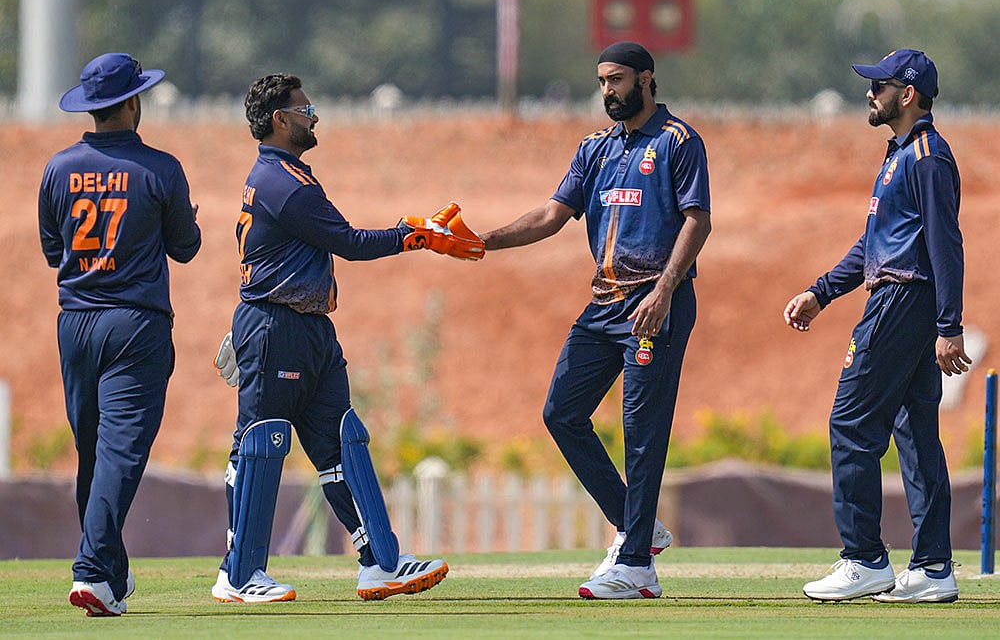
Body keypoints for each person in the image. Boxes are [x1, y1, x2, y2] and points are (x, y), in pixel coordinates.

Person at [211, 73, 478, 603]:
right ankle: (238, 574)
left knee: (342, 442)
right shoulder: (283, 182)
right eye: (305, 109)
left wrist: (411, 229)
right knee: (260, 444)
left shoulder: (287, 175)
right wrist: (414, 234)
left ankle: (380, 563)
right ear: (280, 120)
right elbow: (350, 243)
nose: (314, 117)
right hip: (276, 326)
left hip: (308, 328)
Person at [480, 42, 712, 599]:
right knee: (561, 412)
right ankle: (640, 528)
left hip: (656, 302)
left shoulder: (678, 140)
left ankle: (635, 566)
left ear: (646, 80)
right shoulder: (595, 148)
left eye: (617, 80)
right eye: (602, 81)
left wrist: (663, 291)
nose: (608, 90)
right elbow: (550, 215)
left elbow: (697, 221)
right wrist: (484, 241)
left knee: (642, 432)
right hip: (603, 304)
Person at [784, 49, 968, 603]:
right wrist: (821, 292)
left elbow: (945, 242)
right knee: (914, 433)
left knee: (850, 426)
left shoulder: (928, 156)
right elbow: (872, 244)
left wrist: (949, 325)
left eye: (879, 86)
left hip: (903, 300)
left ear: (906, 94)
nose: (870, 93)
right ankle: (933, 568)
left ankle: (863, 559)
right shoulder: (903, 154)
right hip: (903, 298)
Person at [38, 53, 202, 616]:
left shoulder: (58, 168)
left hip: (76, 321)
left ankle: (110, 570)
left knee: (95, 453)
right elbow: (186, 247)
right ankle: (91, 573)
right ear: (132, 103)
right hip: (135, 323)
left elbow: (52, 251)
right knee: (119, 454)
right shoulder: (161, 168)